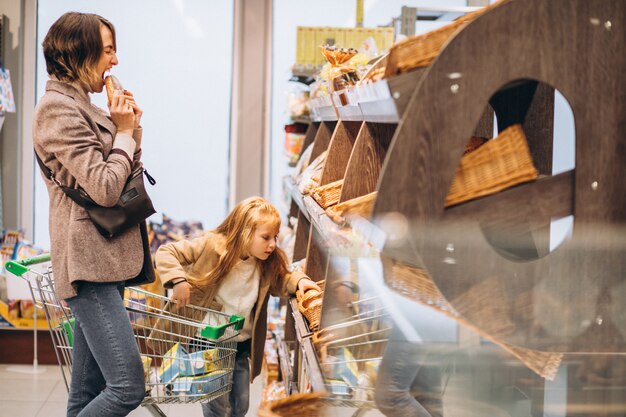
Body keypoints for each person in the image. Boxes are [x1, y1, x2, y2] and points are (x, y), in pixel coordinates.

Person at [33, 12, 149, 416]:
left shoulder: (86, 107)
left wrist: (131, 129)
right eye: (108, 50)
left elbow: (124, 178)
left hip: (108, 259)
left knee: (86, 391)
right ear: (79, 52)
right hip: (87, 263)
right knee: (127, 387)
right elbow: (103, 188)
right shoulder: (57, 110)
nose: (115, 61)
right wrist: (122, 133)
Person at [155, 196, 321, 417]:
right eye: (266, 237)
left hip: (240, 344)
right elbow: (167, 252)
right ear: (245, 232)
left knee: (241, 405)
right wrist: (178, 280)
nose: (272, 244)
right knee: (217, 408)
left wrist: (298, 281)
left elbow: (282, 280)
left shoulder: (264, 262)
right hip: (208, 344)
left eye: (275, 237)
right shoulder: (212, 245)